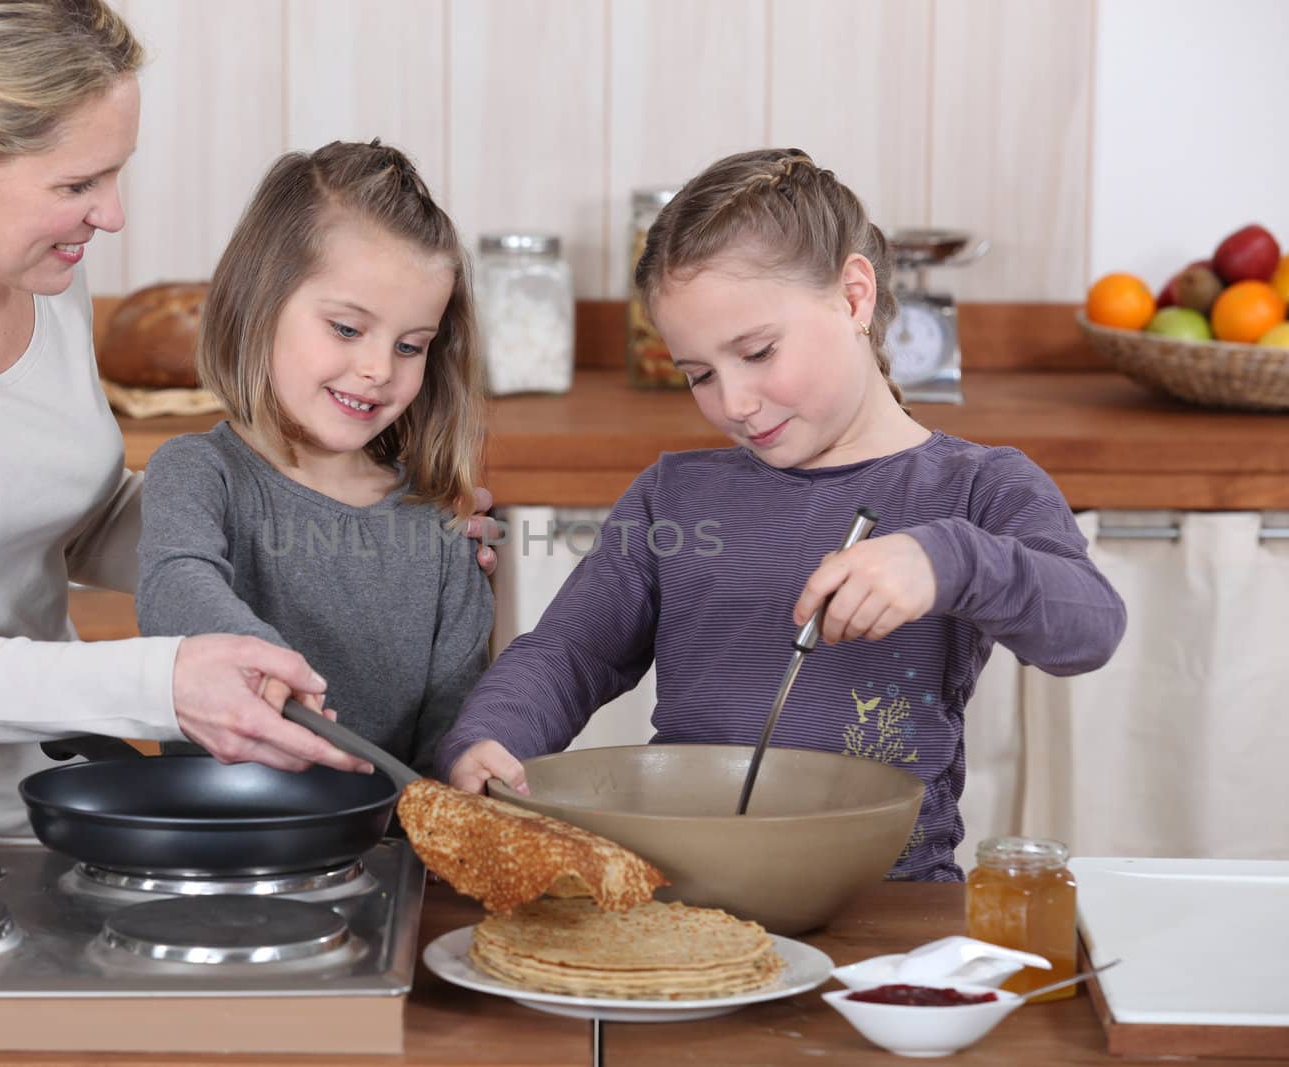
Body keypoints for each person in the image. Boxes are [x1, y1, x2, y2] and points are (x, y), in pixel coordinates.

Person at [0, 0, 495, 836]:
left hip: (56, 806)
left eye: (114, 175)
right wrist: (160, 682)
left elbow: (78, 516)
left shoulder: (36, 272)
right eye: (78, 183)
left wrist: (360, 534)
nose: (111, 215)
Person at [436, 148, 1127, 881]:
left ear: (854, 296)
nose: (732, 402)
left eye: (758, 351)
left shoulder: (976, 490)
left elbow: (1090, 625)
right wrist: (490, 735)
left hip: (889, 907)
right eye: (699, 374)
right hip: (689, 891)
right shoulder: (674, 497)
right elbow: (570, 653)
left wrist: (947, 559)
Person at [136, 141, 494, 778]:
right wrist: (274, 669)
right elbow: (174, 583)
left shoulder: (441, 527)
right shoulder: (197, 472)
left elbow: (454, 723)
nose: (378, 369)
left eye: (411, 346)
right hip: (224, 852)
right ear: (259, 304)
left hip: (385, 850)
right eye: (348, 329)